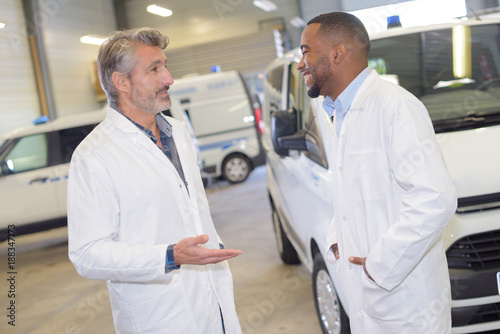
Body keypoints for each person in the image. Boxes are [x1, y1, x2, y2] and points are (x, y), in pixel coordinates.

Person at [67, 27, 242, 334]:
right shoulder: (94, 156)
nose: (169, 78)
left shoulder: (178, 132)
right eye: (154, 69)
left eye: (165, 65)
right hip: (160, 317)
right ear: (121, 82)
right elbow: (86, 253)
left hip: (215, 301)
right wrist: (169, 256)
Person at [297, 12, 457, 334]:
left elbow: (435, 199)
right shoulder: (342, 114)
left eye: (305, 51)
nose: (301, 63)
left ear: (337, 53)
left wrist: (377, 267)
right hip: (371, 303)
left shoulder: (394, 106)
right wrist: (337, 239)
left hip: (406, 307)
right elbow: (354, 191)